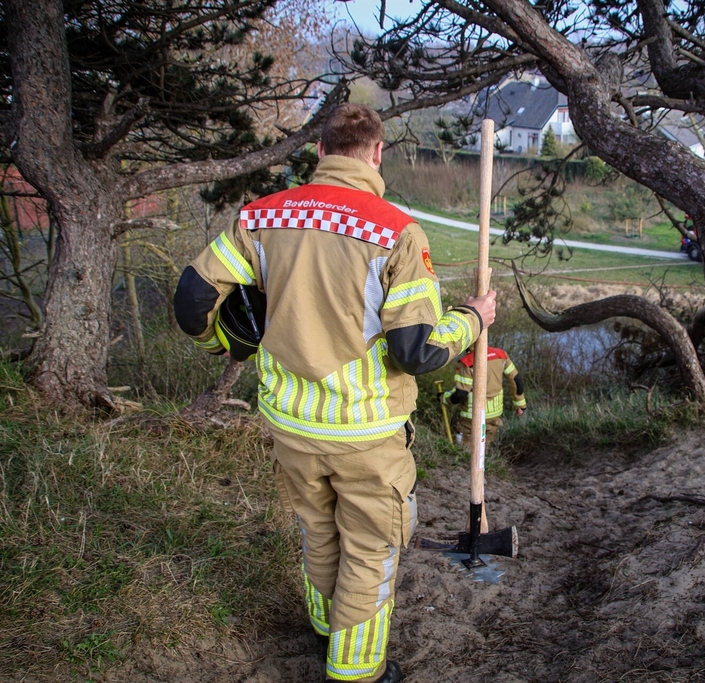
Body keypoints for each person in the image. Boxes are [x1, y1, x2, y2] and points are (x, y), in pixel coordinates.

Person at [172, 103, 496, 683]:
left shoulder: (260, 217)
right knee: (371, 549)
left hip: (290, 425)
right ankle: (356, 671)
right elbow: (415, 350)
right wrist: (471, 317)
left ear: (319, 152)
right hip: (366, 436)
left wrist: (224, 344)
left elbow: (191, 299)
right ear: (377, 155)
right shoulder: (396, 232)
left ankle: (326, 631)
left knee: (317, 532)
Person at [441, 344, 526, 449]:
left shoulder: (467, 362)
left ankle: (466, 464)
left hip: (472, 417)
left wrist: (444, 399)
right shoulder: (500, 355)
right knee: (485, 448)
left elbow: (460, 394)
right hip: (494, 415)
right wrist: (519, 403)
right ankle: (487, 464)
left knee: (468, 451)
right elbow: (516, 380)